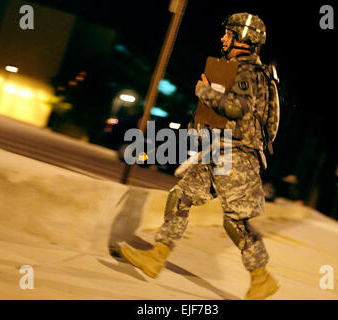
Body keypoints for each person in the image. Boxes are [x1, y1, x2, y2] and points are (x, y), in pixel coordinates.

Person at [120, 12, 280, 300]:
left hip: (237, 154)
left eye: (229, 34)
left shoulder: (248, 72)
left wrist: (204, 91)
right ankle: (157, 256)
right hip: (218, 149)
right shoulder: (238, 69)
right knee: (180, 196)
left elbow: (237, 108)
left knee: (235, 221)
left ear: (243, 40)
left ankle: (262, 277)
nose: (223, 39)